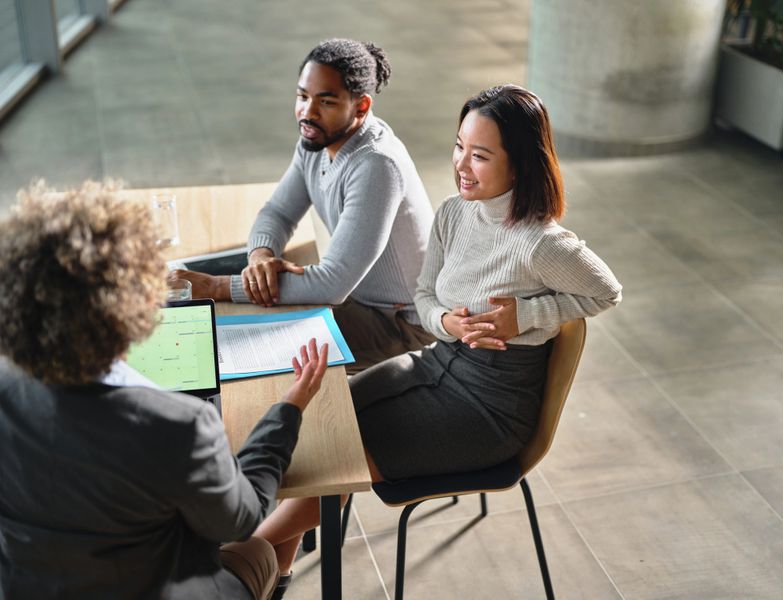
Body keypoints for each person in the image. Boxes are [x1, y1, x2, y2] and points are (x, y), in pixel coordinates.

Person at [250, 84, 623, 595]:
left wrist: (530, 315)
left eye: (481, 155)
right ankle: (269, 573)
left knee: (342, 455)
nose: (462, 165)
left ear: (520, 164)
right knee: (322, 418)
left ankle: (240, 560)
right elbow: (424, 296)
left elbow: (607, 291)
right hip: (436, 363)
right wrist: (448, 323)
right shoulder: (453, 213)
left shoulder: (542, 243)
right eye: (458, 146)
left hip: (491, 409)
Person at [0, 181, 328, 600]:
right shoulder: (176, 425)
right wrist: (287, 410)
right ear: (131, 308)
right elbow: (241, 517)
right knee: (261, 547)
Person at [179, 38, 435, 373]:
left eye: (325, 102)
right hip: (356, 298)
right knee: (243, 327)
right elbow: (278, 212)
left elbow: (332, 284)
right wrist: (261, 258)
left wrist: (215, 286)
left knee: (251, 349)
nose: (307, 112)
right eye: (302, 96)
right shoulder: (316, 138)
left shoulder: (376, 165)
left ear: (361, 106)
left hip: (401, 323)